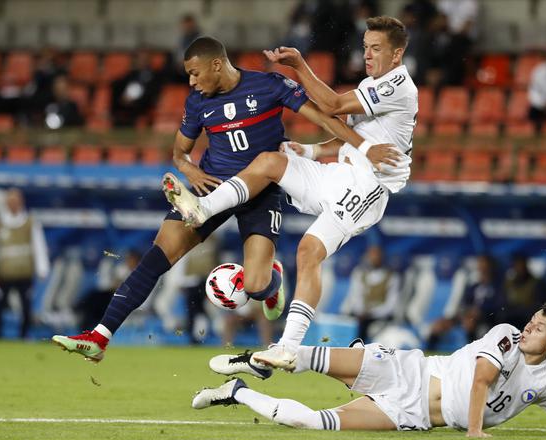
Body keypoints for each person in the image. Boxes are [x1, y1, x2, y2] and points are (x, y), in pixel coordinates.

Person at [51, 36, 395, 362]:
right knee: (156, 258)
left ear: (217, 65)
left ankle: (271, 281)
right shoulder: (198, 103)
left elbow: (323, 117)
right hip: (212, 187)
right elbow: (179, 154)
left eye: (194, 73)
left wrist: (364, 147)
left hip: (262, 193)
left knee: (257, 285)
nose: (191, 82)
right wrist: (191, 171)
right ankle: (100, 336)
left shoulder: (269, 86)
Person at [173, 16, 415, 372]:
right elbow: (346, 139)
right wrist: (312, 151)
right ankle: (204, 207)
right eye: (365, 47)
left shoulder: (398, 85)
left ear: (397, 54)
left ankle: (287, 347)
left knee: (308, 250)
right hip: (342, 175)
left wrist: (300, 66)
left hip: (369, 187)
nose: (367, 54)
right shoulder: (372, 83)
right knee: (271, 160)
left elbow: (331, 106)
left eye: (376, 48)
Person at [194, 302, 546, 437]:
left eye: (539, 327)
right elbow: (482, 380)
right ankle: (258, 360)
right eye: (533, 319)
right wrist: (476, 431)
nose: (529, 327)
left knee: (312, 423)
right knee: (303, 357)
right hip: (409, 372)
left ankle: (237, 391)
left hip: (410, 414)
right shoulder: (506, 335)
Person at [0, 188, 50, 338]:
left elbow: (39, 246)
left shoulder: (29, 222)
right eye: (11, 201)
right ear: (6, 203)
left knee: (26, 309)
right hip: (3, 274)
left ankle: (23, 337)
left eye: (16, 201)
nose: (13, 205)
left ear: (21, 203)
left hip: (24, 274)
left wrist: (42, 269)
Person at [341, 244, 401, 342]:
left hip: (380, 317)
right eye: (371, 255)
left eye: (376, 255)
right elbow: (355, 296)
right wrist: (360, 312)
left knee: (366, 328)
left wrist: (372, 314)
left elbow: (391, 304)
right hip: (360, 315)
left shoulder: (392, 277)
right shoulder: (359, 273)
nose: (373, 258)